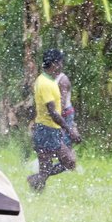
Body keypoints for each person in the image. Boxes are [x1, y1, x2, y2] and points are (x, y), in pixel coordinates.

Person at [27, 49, 81, 192]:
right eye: (61, 62)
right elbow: (53, 112)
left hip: (49, 130)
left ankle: (35, 181)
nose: (62, 65)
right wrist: (69, 130)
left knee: (67, 164)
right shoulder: (45, 83)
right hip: (46, 131)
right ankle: (36, 183)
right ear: (55, 64)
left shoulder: (46, 80)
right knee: (65, 163)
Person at [56, 66, 79, 148]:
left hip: (65, 112)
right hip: (58, 112)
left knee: (65, 141)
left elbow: (63, 100)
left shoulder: (63, 80)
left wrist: (57, 116)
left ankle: (68, 154)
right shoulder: (52, 78)